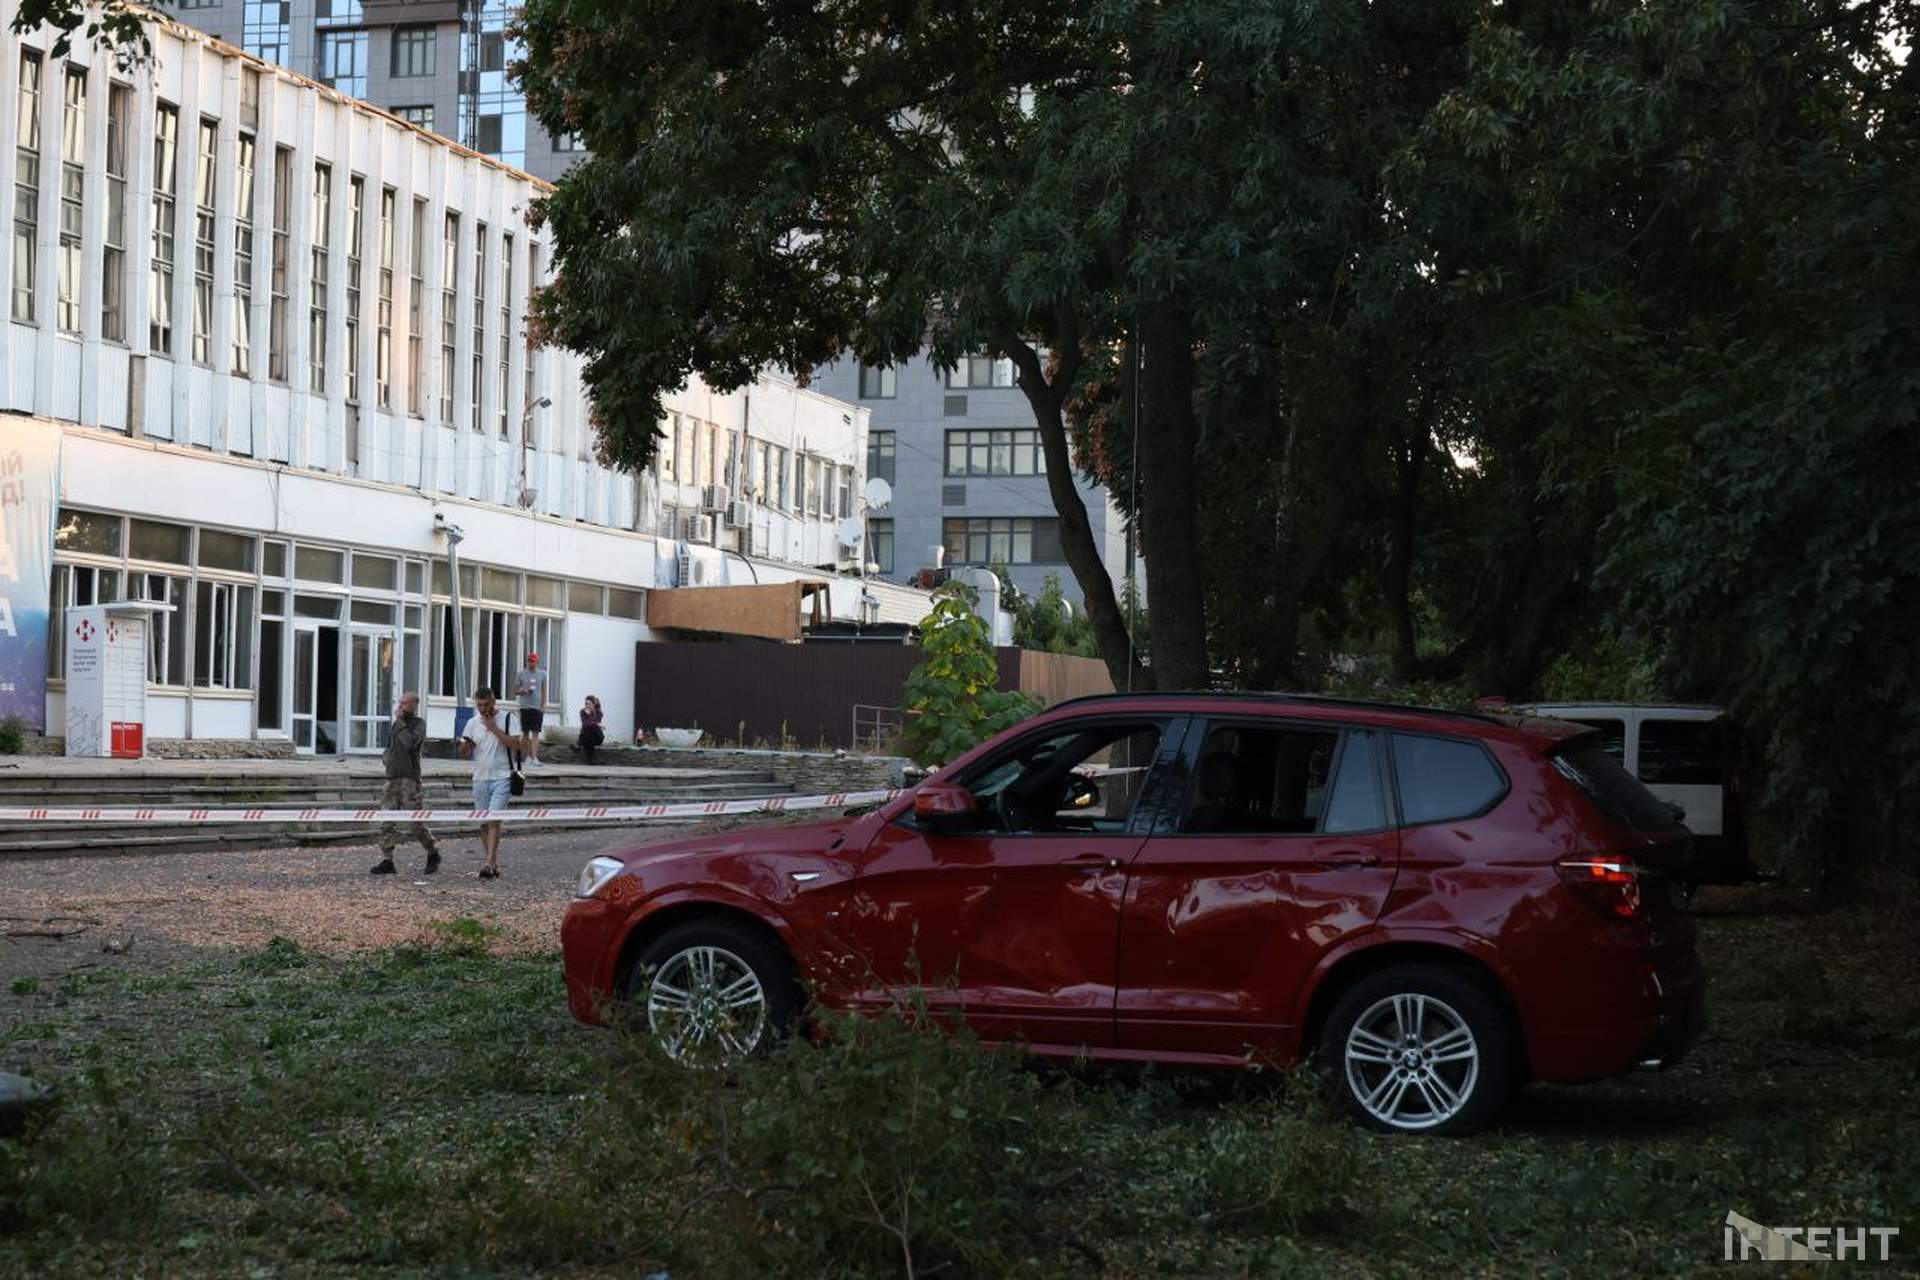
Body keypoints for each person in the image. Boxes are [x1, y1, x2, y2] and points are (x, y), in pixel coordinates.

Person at [459, 686, 530, 880]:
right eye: (479, 705)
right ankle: (492, 861)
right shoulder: (473, 723)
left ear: (494, 702)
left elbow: (516, 745)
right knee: (483, 822)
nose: (483, 708)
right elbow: (463, 753)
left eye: (486, 704)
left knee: (494, 819)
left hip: (503, 776)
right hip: (480, 777)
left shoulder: (508, 718)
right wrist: (466, 746)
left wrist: (493, 729)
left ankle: (488, 863)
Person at [370, 692, 439, 876]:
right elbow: (389, 746)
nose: (400, 707)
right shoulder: (396, 725)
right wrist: (387, 760)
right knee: (386, 821)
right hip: (392, 779)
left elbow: (410, 743)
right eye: (399, 703)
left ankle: (432, 852)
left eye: (404, 704)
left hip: (409, 780)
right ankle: (387, 859)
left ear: (413, 706)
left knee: (415, 823)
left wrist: (400, 722)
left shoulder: (418, 725)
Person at [513, 652, 548, 753]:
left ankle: (534, 756)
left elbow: (544, 691)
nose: (531, 663)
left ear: (537, 662)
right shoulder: (521, 674)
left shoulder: (542, 674)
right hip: (525, 706)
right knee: (525, 733)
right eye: (529, 661)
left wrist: (543, 705)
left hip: (537, 707)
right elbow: (515, 691)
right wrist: (523, 691)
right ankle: (525, 755)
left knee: (536, 733)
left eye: (533, 661)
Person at [577, 695, 605, 763]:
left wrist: (590, 715)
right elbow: (585, 724)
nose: (587, 706)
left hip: (597, 737)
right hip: (586, 736)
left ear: (593, 704)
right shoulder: (582, 712)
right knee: (589, 731)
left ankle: (579, 746)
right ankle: (591, 759)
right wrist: (596, 724)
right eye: (585, 704)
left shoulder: (599, 713)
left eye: (589, 704)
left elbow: (595, 721)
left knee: (591, 730)